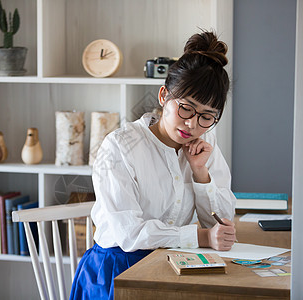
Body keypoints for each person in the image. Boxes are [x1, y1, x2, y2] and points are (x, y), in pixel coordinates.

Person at [70, 30, 236, 300]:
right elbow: (129, 234)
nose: (193, 124)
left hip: (174, 265)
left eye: (207, 116)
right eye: (186, 108)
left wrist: (200, 173)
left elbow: (223, 222)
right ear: (163, 96)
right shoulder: (120, 146)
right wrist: (202, 238)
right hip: (118, 271)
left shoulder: (205, 145)